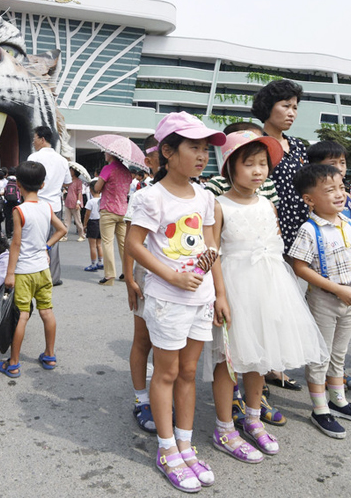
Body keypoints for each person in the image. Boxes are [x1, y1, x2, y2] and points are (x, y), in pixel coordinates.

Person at [124, 111, 227, 492]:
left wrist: (216, 288)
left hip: (201, 299)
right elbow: (134, 244)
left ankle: (185, 444)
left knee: (189, 372)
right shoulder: (150, 196)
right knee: (166, 373)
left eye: (206, 149)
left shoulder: (206, 196)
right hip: (167, 299)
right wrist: (172, 276)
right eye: (194, 148)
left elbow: (210, 243)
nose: (202, 156)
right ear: (167, 151)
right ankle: (166, 449)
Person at [209, 131, 328, 461]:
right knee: (228, 361)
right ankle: (224, 427)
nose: (258, 170)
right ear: (230, 167)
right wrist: (220, 295)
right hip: (234, 287)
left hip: (268, 287)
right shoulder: (219, 205)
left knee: (258, 356)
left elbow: (274, 246)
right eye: (249, 164)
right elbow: (213, 253)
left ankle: (253, 419)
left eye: (263, 164)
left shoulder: (267, 203)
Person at [289, 164, 351, 439]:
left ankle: (338, 401)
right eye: (329, 190)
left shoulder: (348, 223)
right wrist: (336, 289)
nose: (339, 194)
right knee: (320, 355)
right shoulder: (309, 229)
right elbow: (300, 267)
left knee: (339, 353)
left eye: (341, 187)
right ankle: (319, 409)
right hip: (323, 300)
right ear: (309, 199)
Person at [0, 161, 67, 378]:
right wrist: (46, 246)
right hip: (43, 270)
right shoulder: (47, 207)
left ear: (18, 184)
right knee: (46, 311)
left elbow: (16, 244)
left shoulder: (19, 210)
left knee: (23, 316)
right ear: (43, 184)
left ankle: (13, 363)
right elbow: (62, 229)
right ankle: (50, 355)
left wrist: (10, 273)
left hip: (24, 271)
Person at [306, 139, 351, 389]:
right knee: (322, 347)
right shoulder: (311, 223)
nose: (339, 167)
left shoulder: (346, 216)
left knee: (339, 349)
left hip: (350, 289)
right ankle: (320, 400)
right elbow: (301, 265)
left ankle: (337, 391)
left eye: (342, 162)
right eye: (332, 163)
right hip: (325, 291)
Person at [122, 135, 160, 433]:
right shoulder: (143, 196)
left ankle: (162, 396)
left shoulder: (197, 194)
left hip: (181, 284)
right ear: (150, 160)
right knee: (143, 339)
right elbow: (130, 241)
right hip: (146, 277)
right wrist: (129, 278)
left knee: (168, 345)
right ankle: (141, 399)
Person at [251, 79, 309, 256]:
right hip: (268, 226)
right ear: (268, 106)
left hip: (301, 224)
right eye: (286, 106)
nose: (292, 113)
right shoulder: (255, 144)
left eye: (295, 108)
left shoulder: (297, 146)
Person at [27, 126, 70, 287]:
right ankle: (53, 277)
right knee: (54, 241)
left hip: (37, 203)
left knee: (34, 239)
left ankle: (34, 275)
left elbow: (27, 179)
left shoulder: (34, 157)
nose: (33, 142)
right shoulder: (62, 160)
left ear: (42, 139)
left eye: (35, 138)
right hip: (55, 205)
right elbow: (67, 182)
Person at [94, 152, 133, 285]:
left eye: (106, 152)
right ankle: (126, 273)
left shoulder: (108, 168)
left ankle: (109, 275)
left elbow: (97, 188)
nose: (105, 154)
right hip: (123, 211)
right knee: (123, 244)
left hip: (108, 209)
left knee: (107, 242)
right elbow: (127, 191)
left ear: (111, 154)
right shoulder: (126, 171)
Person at [83, 184, 103, 272]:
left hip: (92, 222)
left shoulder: (90, 202)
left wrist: (85, 225)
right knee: (99, 244)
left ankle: (93, 264)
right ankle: (100, 262)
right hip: (100, 221)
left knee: (92, 246)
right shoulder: (102, 200)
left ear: (91, 190)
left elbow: (87, 214)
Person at [64, 168, 85, 242]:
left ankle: (82, 235)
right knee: (66, 221)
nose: (70, 172)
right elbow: (69, 190)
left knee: (78, 221)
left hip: (75, 203)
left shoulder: (78, 181)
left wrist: (78, 202)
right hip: (68, 202)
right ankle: (64, 236)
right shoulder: (69, 181)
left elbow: (79, 192)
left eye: (71, 171)